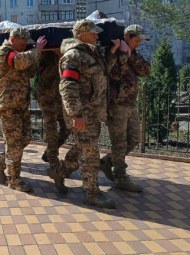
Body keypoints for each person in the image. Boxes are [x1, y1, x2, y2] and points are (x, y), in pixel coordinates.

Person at [48, 19, 115, 208]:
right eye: (93, 32)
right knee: (91, 153)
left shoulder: (91, 55)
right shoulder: (73, 56)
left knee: (81, 147)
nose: (97, 35)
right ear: (80, 36)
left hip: (92, 114)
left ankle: (59, 172)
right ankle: (91, 192)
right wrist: (76, 114)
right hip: (82, 115)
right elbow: (68, 87)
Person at [0, 28, 47, 191]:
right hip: (7, 106)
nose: (25, 46)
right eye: (23, 43)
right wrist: (37, 50)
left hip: (21, 105)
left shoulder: (20, 52)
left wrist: (34, 54)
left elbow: (29, 71)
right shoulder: (3, 52)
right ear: (13, 39)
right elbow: (20, 62)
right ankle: (14, 179)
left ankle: (1, 161)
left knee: (25, 139)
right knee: (14, 143)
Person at [100, 24, 151, 192]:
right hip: (117, 104)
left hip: (130, 103)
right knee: (119, 143)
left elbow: (146, 71)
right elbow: (114, 74)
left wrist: (130, 55)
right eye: (136, 40)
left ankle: (107, 162)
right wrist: (122, 54)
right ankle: (120, 177)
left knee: (134, 139)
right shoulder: (112, 51)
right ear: (127, 36)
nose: (138, 44)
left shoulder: (132, 53)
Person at [37, 51, 70, 171]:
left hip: (59, 99)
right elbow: (47, 76)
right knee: (52, 131)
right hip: (47, 99)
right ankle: (53, 163)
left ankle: (49, 153)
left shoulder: (61, 57)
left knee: (67, 128)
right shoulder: (46, 57)